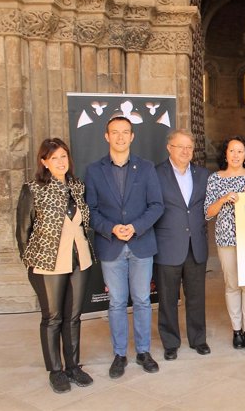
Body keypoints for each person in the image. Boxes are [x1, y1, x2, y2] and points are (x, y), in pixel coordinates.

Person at [84, 116, 164, 378]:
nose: (120, 137)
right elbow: (91, 211)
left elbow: (157, 205)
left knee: (142, 300)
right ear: (106, 136)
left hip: (141, 243)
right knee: (117, 302)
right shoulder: (94, 170)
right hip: (111, 245)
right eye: (115, 132)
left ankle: (143, 351)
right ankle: (120, 354)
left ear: (132, 137)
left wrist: (136, 227)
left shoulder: (147, 167)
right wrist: (111, 228)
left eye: (125, 132)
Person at [15, 138, 95, 394]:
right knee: (52, 318)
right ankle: (56, 370)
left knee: (73, 317)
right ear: (44, 162)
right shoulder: (33, 189)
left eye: (64, 156)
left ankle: (73, 366)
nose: (61, 162)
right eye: (54, 158)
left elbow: (83, 223)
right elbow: (23, 231)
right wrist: (31, 261)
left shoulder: (77, 185)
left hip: (80, 259)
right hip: (47, 263)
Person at [154, 129, 211, 361]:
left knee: (196, 296)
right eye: (181, 147)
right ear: (170, 148)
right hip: (168, 245)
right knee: (167, 298)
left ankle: (198, 339)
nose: (186, 151)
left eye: (189, 147)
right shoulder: (156, 173)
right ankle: (170, 342)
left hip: (196, 245)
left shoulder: (203, 174)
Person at [204, 136, 245, 352]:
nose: (236, 155)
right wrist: (223, 199)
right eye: (232, 151)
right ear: (226, 154)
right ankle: (236, 330)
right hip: (226, 239)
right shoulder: (215, 179)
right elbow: (208, 213)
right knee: (232, 284)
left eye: (240, 151)